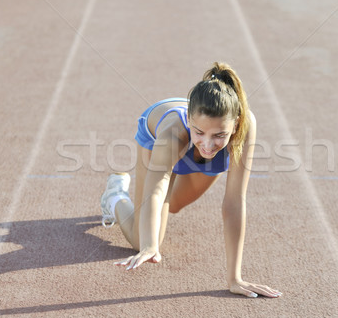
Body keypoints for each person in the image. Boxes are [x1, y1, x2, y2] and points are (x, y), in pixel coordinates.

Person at [100, 62, 282, 299]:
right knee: (141, 238)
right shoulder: (173, 132)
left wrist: (234, 278)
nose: (208, 144)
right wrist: (150, 246)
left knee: (174, 205)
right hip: (160, 136)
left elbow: (234, 202)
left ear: (236, 124)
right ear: (188, 118)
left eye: (219, 135)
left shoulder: (245, 126)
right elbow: (156, 190)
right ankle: (114, 197)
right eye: (200, 132)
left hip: (195, 139)